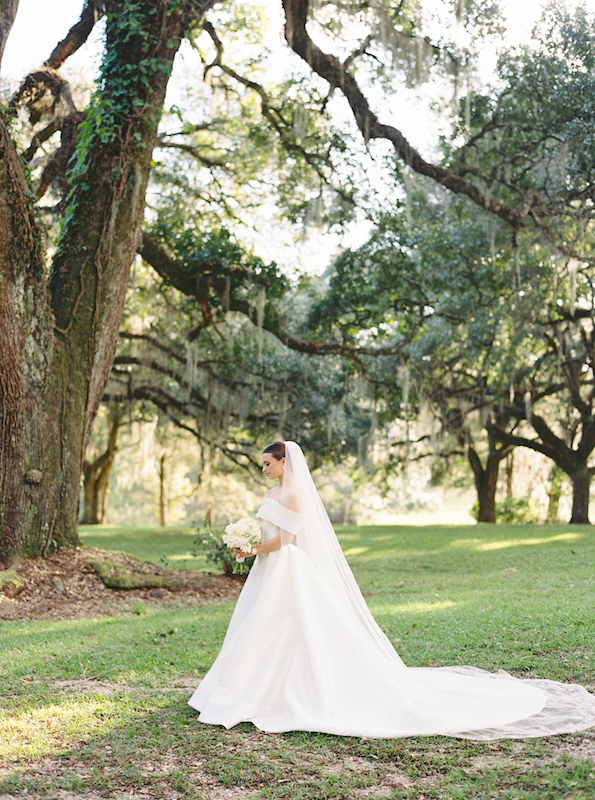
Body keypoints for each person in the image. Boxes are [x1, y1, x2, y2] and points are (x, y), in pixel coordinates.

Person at [188, 440, 595, 739]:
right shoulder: (272, 492)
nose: (263, 469)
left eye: (267, 463)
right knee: (259, 626)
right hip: (266, 567)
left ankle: (278, 690)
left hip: (284, 566)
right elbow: (269, 528)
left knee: (284, 627)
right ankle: (246, 686)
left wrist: (254, 547)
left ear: (283, 461)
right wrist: (250, 543)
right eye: (262, 465)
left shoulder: (293, 493)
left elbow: (288, 540)